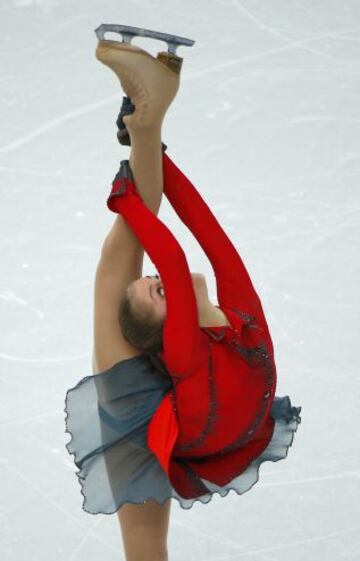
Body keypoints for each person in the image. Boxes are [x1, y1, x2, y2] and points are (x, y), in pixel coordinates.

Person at [64, 29, 302, 561]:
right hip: (203, 420)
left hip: (208, 419)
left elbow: (182, 253)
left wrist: (142, 167)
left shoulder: (208, 334)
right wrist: (129, 191)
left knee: (120, 259)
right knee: (119, 261)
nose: (157, 281)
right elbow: (185, 252)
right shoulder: (231, 328)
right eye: (157, 293)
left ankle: (146, 122)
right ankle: (146, 122)